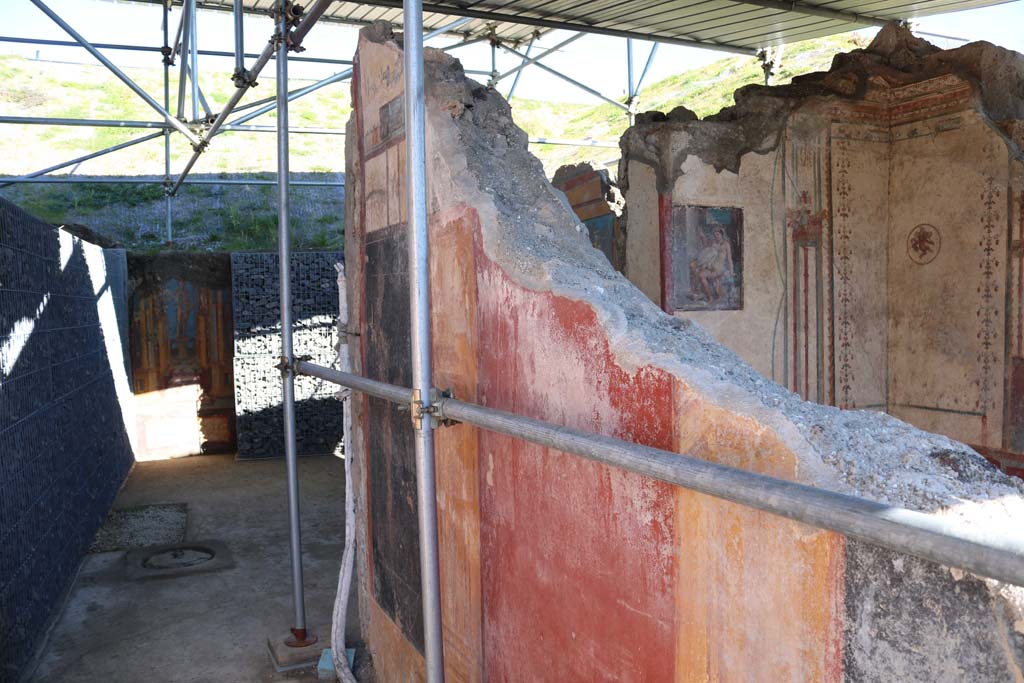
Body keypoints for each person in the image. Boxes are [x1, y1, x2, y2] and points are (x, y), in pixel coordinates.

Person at [688, 226, 733, 305]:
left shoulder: (726, 244)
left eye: (718, 234)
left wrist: (731, 271)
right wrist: (702, 236)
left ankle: (709, 297)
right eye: (715, 235)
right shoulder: (713, 242)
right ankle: (703, 294)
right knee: (697, 271)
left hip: (719, 268)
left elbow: (729, 259)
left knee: (701, 274)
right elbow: (705, 243)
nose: (716, 236)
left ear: (722, 235)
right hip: (711, 266)